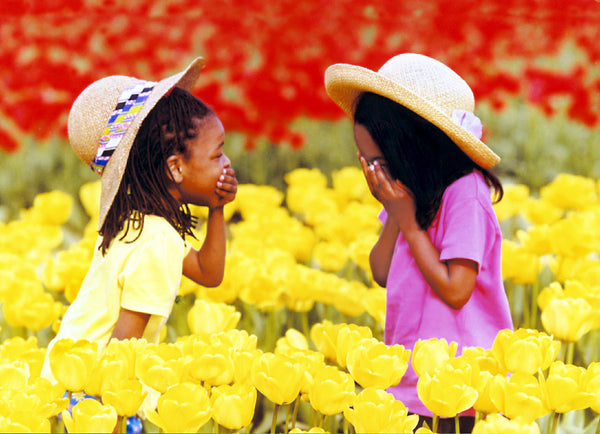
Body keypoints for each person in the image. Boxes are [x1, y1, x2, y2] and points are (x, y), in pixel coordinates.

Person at [41, 57, 238, 430]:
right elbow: (122, 347)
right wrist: (113, 422)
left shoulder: (142, 221)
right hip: (96, 393)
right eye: (218, 154)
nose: (228, 165)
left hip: (74, 378)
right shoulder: (157, 241)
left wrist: (217, 210)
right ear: (176, 168)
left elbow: (210, 274)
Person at [325, 53, 513, 432]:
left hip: (460, 384)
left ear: (412, 145)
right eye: (366, 158)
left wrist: (409, 222)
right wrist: (393, 211)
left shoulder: (466, 195)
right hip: (408, 376)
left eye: (379, 157)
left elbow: (456, 289)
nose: (373, 168)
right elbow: (380, 271)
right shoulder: (407, 195)